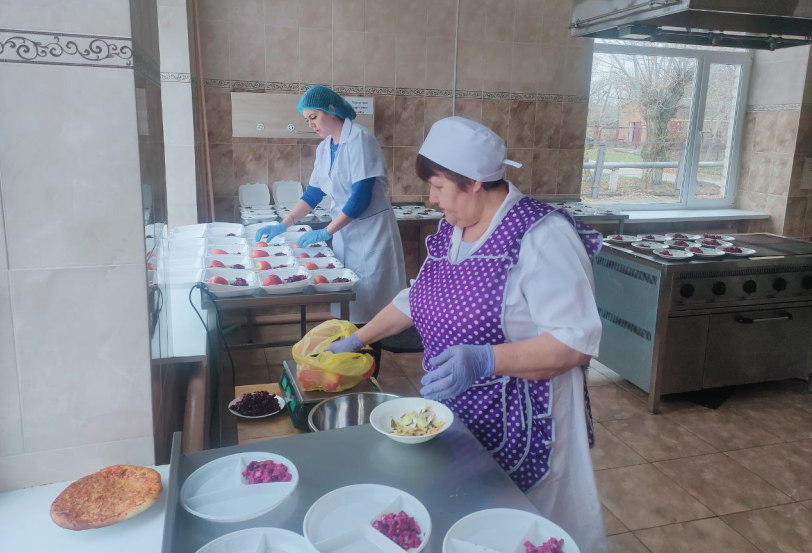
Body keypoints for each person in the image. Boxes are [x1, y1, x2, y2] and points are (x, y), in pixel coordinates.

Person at [326, 117, 607, 553]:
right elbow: (417, 297)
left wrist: (486, 359)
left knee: (528, 534)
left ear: (475, 182)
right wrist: (357, 339)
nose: (432, 198)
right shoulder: (452, 229)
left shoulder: (542, 235)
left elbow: (575, 342)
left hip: (527, 420)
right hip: (461, 414)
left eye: (438, 186)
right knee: (469, 526)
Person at [256, 86, 406, 325]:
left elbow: (360, 198)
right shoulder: (325, 148)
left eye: (314, 117)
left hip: (372, 234)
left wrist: (325, 232)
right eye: (307, 120)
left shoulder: (359, 139)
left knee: (373, 310)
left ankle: (370, 348)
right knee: (348, 304)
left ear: (332, 110)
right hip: (344, 233)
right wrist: (283, 224)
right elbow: (313, 194)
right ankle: (350, 345)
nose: (311, 124)